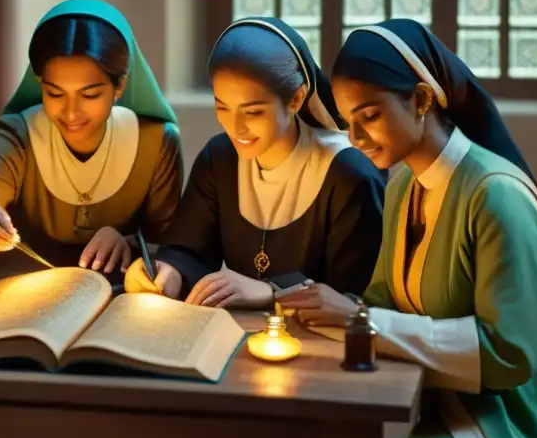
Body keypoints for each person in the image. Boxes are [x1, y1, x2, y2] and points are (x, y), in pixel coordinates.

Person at [280, 18, 537, 438]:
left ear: (420, 99)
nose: (354, 137)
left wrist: (361, 322)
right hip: (445, 388)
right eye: (348, 120)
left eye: (368, 116)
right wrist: (329, 313)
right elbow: (385, 300)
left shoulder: (496, 195)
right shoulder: (403, 187)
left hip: (531, 409)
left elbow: (511, 352)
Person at [125, 17, 385, 308]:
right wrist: (167, 275)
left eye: (253, 112)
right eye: (222, 107)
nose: (235, 128)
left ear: (296, 99)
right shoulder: (220, 157)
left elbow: (351, 295)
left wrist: (272, 291)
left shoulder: (348, 173)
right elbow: (190, 250)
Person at [0, 0, 183, 282]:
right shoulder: (20, 135)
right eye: (54, 93)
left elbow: (174, 244)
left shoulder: (155, 143)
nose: (70, 112)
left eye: (89, 95)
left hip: (122, 300)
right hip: (28, 294)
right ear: (40, 84)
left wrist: (126, 242)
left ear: (120, 86)